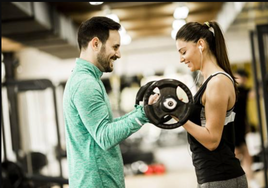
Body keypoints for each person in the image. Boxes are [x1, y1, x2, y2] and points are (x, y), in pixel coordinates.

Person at [62, 16, 151, 188]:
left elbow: (105, 127)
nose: (118, 54)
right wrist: (143, 115)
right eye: (115, 47)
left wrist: (142, 111)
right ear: (95, 44)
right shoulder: (85, 84)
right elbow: (105, 137)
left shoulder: (87, 79)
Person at [175, 21, 248, 188]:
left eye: (183, 52)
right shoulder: (210, 81)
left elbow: (212, 140)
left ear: (201, 44)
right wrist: (181, 109)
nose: (181, 59)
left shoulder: (217, 82)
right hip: (214, 177)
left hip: (222, 178)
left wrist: (180, 117)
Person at [234, 69, 260, 188]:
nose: (241, 81)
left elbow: (255, 93)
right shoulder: (231, 90)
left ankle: (250, 179)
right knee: (238, 154)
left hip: (241, 126)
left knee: (246, 155)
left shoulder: (244, 90)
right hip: (232, 127)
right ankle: (241, 182)